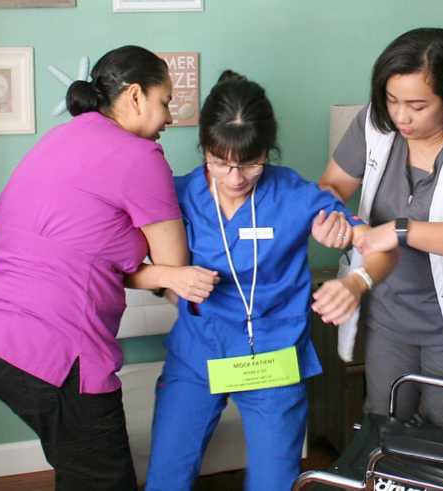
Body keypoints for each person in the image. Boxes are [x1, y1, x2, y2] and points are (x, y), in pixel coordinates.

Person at [0, 45, 218, 491]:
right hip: (58, 354)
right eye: (165, 102)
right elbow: (173, 265)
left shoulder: (61, 139)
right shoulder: (140, 157)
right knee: (105, 481)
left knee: (80, 471)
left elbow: (86, 253)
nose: (169, 117)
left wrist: (160, 273)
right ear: (136, 96)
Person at [145, 71, 395, 491]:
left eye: (251, 162)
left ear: (268, 150)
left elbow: (384, 246)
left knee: (274, 483)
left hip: (273, 359)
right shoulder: (178, 195)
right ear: (205, 147)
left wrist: (356, 282)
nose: (236, 177)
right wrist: (171, 278)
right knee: (166, 478)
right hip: (197, 353)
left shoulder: (296, 195)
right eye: (221, 162)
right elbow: (122, 259)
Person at [317, 28, 443, 426]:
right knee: (385, 418)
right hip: (388, 313)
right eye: (392, 100)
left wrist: (402, 230)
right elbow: (331, 186)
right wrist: (330, 215)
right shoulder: (374, 124)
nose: (400, 116)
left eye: (417, 105)